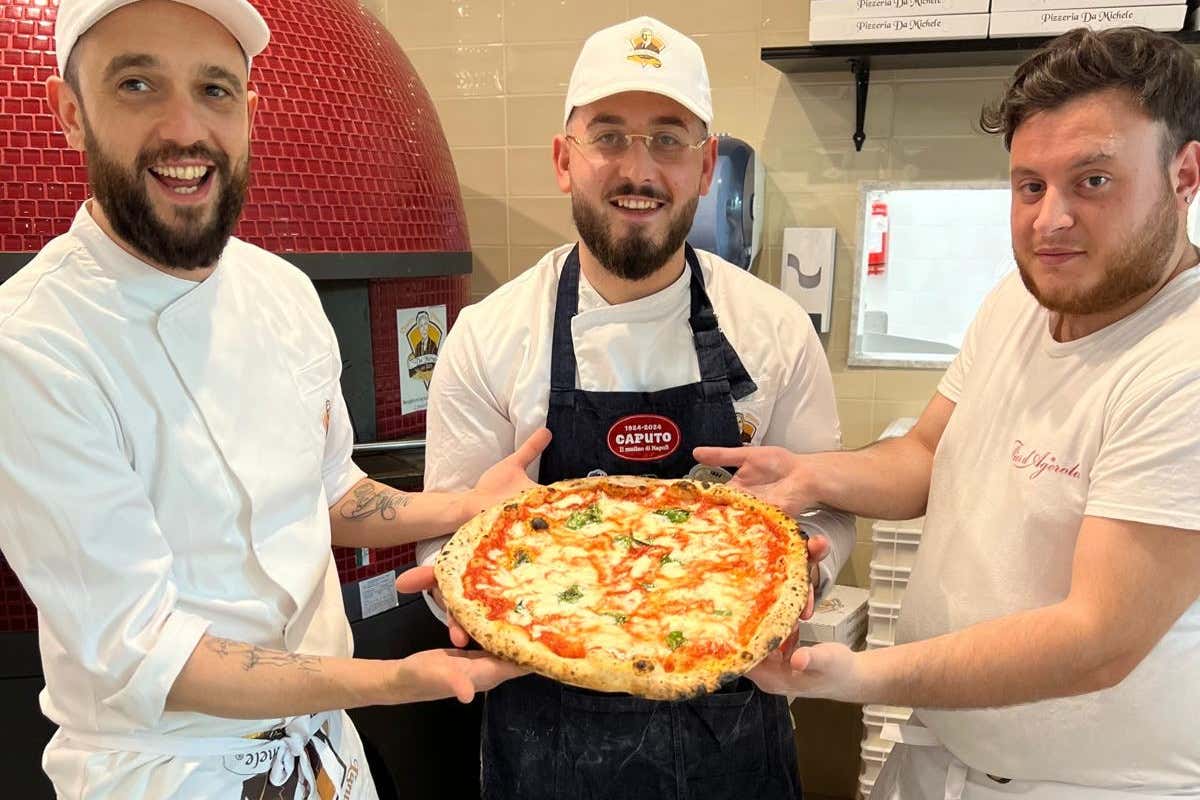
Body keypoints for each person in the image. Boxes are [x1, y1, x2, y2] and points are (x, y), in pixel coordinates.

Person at [0, 0, 537, 796]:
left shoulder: (282, 292)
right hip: (169, 770)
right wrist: (398, 681)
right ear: (70, 114)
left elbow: (327, 493)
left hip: (325, 755)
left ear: (250, 113)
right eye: (138, 83)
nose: (185, 128)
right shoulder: (33, 344)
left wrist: (465, 509)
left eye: (214, 90)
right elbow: (149, 652)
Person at [696, 26, 1200, 800]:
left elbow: (1098, 638)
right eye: (1030, 185)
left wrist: (860, 676)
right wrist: (808, 474)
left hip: (1088, 785)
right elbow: (932, 452)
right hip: (941, 754)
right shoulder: (1024, 299)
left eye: (1093, 181)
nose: (1049, 221)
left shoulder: (1183, 359)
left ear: (1185, 173)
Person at [402, 16, 854, 800]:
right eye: (608, 136)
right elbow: (449, 535)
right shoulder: (490, 334)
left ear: (708, 166)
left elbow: (827, 513)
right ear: (562, 159)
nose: (637, 169)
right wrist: (462, 591)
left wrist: (800, 570)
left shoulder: (774, 328)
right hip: (543, 730)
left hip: (736, 724)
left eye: (669, 139)